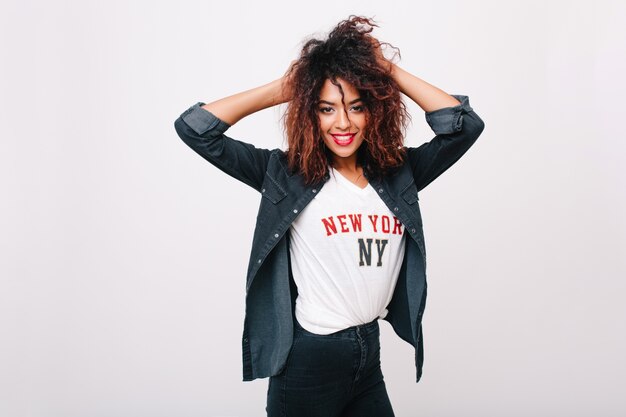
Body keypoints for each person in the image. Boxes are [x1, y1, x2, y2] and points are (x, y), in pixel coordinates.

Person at [174, 15, 485, 417]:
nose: (342, 123)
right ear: (310, 114)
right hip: (309, 361)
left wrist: (386, 71)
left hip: (367, 353)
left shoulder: (397, 174)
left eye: (356, 107)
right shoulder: (284, 175)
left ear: (374, 112)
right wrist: (283, 90)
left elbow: (464, 127)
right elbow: (195, 129)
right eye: (326, 109)